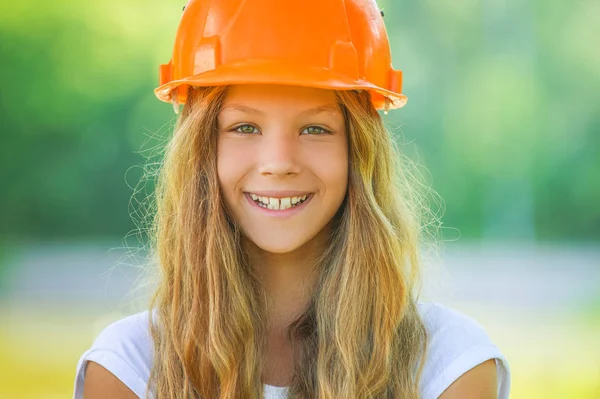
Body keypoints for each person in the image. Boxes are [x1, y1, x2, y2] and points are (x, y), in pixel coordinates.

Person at [74, 1, 511, 398]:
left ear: (359, 151)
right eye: (245, 128)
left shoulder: (448, 366)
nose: (278, 163)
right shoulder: (128, 370)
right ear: (201, 149)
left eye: (315, 129)